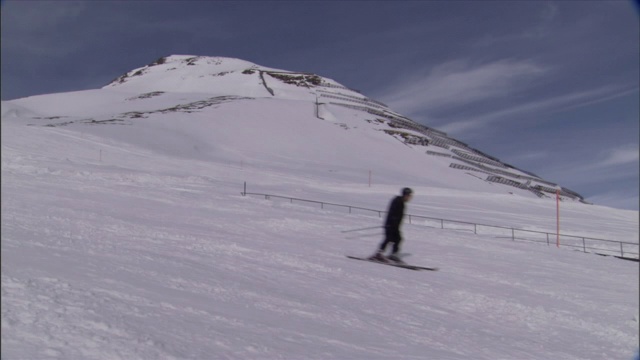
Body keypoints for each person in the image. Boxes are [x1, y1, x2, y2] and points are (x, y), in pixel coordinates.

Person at [370, 187, 413, 263]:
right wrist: (392, 222)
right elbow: (392, 213)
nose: (410, 197)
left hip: (395, 226)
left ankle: (393, 255)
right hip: (390, 225)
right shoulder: (397, 201)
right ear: (405, 195)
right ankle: (379, 254)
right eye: (409, 195)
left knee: (398, 239)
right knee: (389, 238)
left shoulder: (401, 202)